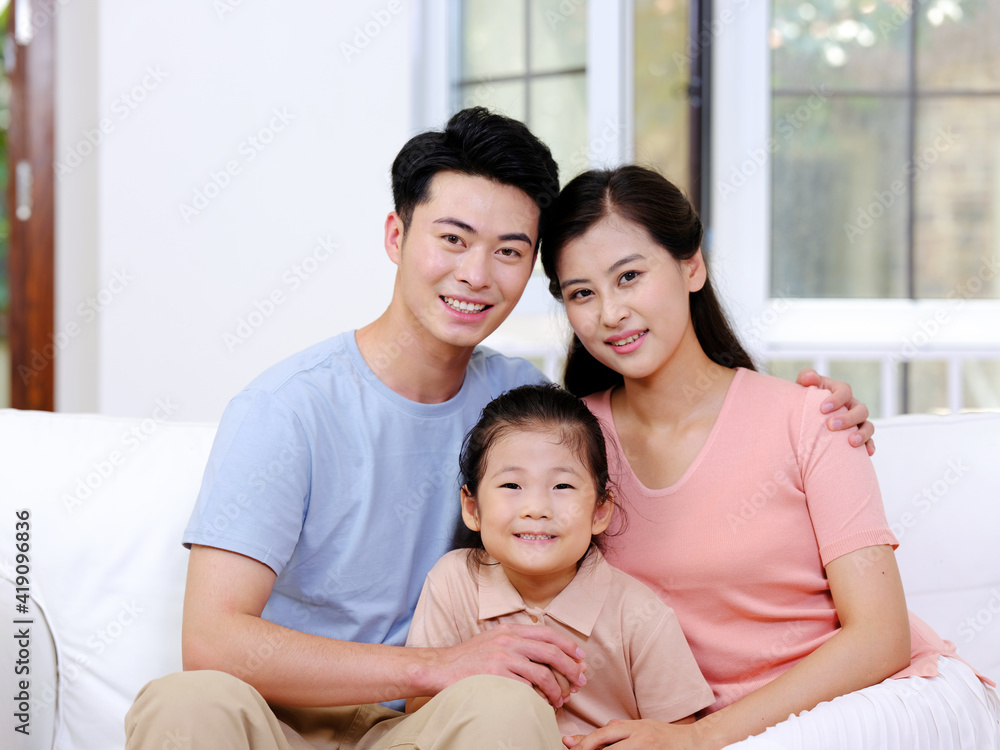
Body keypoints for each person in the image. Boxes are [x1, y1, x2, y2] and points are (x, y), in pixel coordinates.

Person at [124, 109, 874, 750]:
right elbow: (212, 639)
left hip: (430, 728)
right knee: (185, 700)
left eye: (510, 252)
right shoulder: (285, 408)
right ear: (396, 234)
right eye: (452, 239)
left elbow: (657, 432)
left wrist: (816, 413)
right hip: (287, 717)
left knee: (507, 704)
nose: (478, 274)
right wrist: (432, 665)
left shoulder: (526, 401)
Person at [538, 164, 1000, 750]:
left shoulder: (811, 418)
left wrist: (703, 741)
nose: (609, 313)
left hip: (880, 702)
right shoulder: (569, 445)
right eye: (582, 293)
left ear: (692, 266)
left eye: (629, 276)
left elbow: (881, 638)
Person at [406, 383, 715, 739]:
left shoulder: (639, 615)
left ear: (600, 510)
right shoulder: (453, 581)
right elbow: (421, 714)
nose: (536, 509)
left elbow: (677, 738)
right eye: (511, 485)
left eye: (562, 487)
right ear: (472, 508)